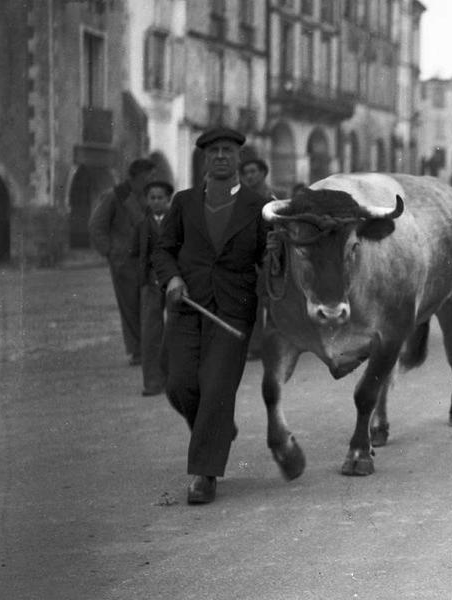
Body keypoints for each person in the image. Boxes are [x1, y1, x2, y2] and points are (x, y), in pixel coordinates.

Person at [152, 127, 271, 504]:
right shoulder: (184, 203)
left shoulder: (258, 207)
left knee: (217, 388)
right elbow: (163, 250)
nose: (221, 156)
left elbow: (267, 260)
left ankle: (205, 474)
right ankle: (217, 430)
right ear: (205, 159)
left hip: (233, 312)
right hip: (188, 305)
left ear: (238, 158)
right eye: (213, 151)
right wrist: (171, 278)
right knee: (179, 384)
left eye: (228, 150)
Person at [89, 158, 156, 365]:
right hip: (123, 261)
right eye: (147, 176)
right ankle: (137, 351)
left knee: (149, 304)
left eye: (152, 176)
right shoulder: (115, 196)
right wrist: (109, 252)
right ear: (134, 177)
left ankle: (149, 348)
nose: (151, 180)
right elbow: (96, 225)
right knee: (130, 306)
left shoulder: (149, 197)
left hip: (147, 258)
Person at [238, 156, 278, 361]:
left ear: (263, 173)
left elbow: (278, 229)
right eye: (246, 173)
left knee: (271, 302)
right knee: (251, 302)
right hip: (248, 258)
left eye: (254, 171)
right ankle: (254, 346)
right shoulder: (242, 200)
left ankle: (271, 345)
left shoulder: (272, 200)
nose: (250, 176)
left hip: (269, 257)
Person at [138, 180, 174, 397]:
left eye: (160, 197)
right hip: (151, 284)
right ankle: (152, 381)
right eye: (152, 197)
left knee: (175, 329)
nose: (156, 201)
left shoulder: (176, 221)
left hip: (174, 281)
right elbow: (137, 253)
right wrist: (144, 277)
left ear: (168, 199)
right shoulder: (143, 225)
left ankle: (173, 379)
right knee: (151, 331)